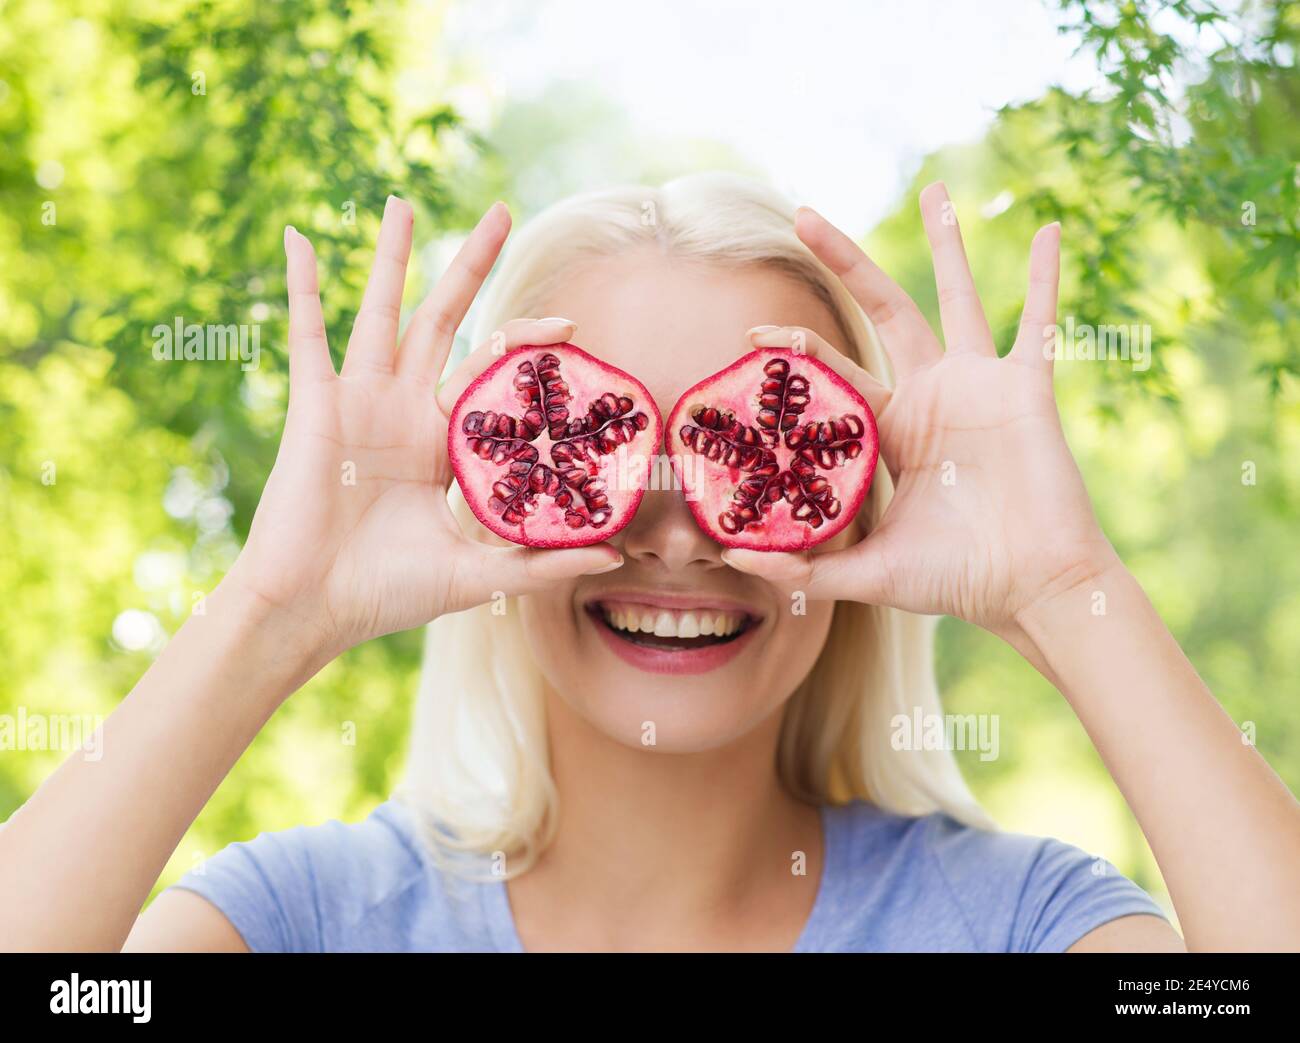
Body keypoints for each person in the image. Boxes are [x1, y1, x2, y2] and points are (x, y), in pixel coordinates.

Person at [4, 174, 1296, 952]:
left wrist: (1070, 595)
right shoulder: (302, 918)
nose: (675, 530)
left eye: (753, 449)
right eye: (589, 443)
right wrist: (273, 615)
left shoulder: (1017, 924)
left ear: (861, 502)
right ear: (478, 494)